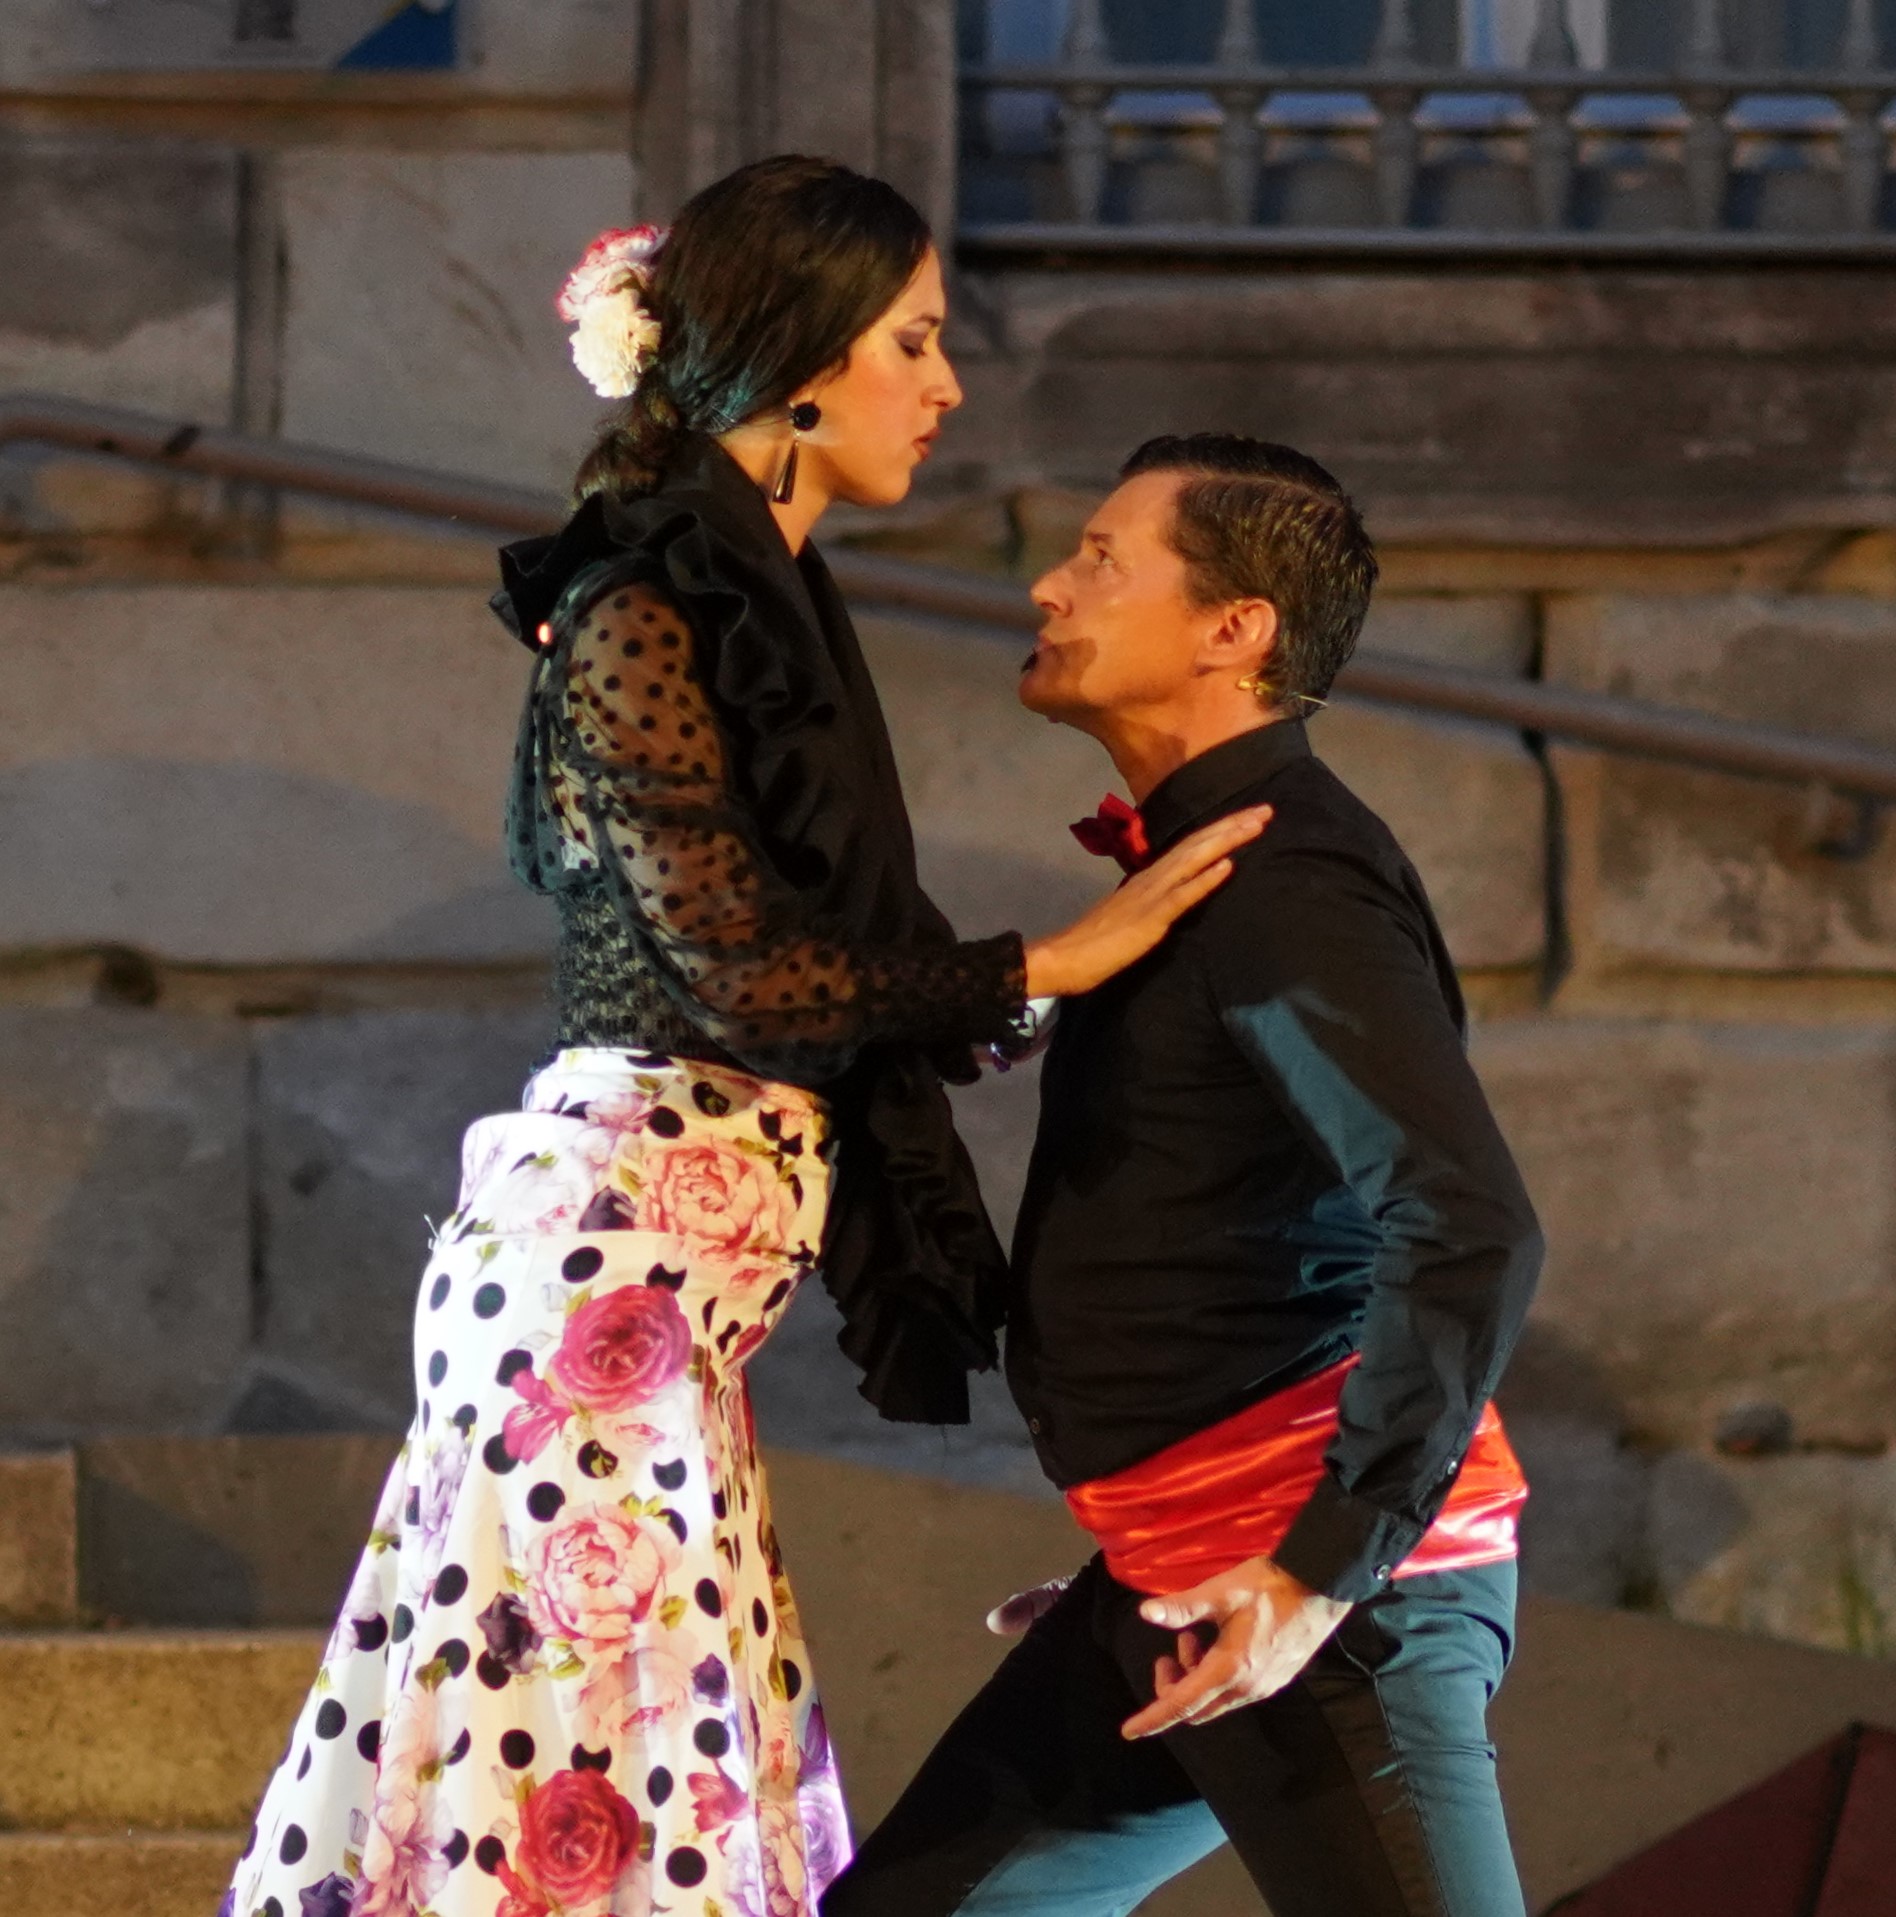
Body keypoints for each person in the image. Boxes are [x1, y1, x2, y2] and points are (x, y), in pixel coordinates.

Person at [219, 164, 1267, 1917]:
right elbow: (738, 975)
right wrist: (1049, 958)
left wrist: (1045, 984)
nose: (946, 386)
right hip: (594, 1296)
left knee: (647, 1797)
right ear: (798, 358)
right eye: (911, 342)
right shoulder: (642, 604)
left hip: (663, 1313)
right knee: (578, 1811)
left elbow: (838, 971)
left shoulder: (764, 599)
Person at [822, 436, 1544, 1917]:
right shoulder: (1206, 863)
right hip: (1174, 1572)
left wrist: (1321, 1566)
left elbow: (1468, 1220)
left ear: (1235, 629)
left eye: (1101, 559)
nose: (1049, 585)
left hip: (1317, 1600)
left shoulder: (1289, 881)